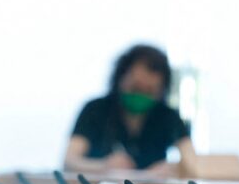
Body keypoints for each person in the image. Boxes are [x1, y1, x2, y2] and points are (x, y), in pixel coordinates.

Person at [64, 44, 196, 176]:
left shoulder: (168, 117)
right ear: (120, 78)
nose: (141, 95)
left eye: (149, 90)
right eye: (136, 87)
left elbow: (193, 162)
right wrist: (104, 165)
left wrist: (174, 168)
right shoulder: (95, 110)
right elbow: (69, 162)